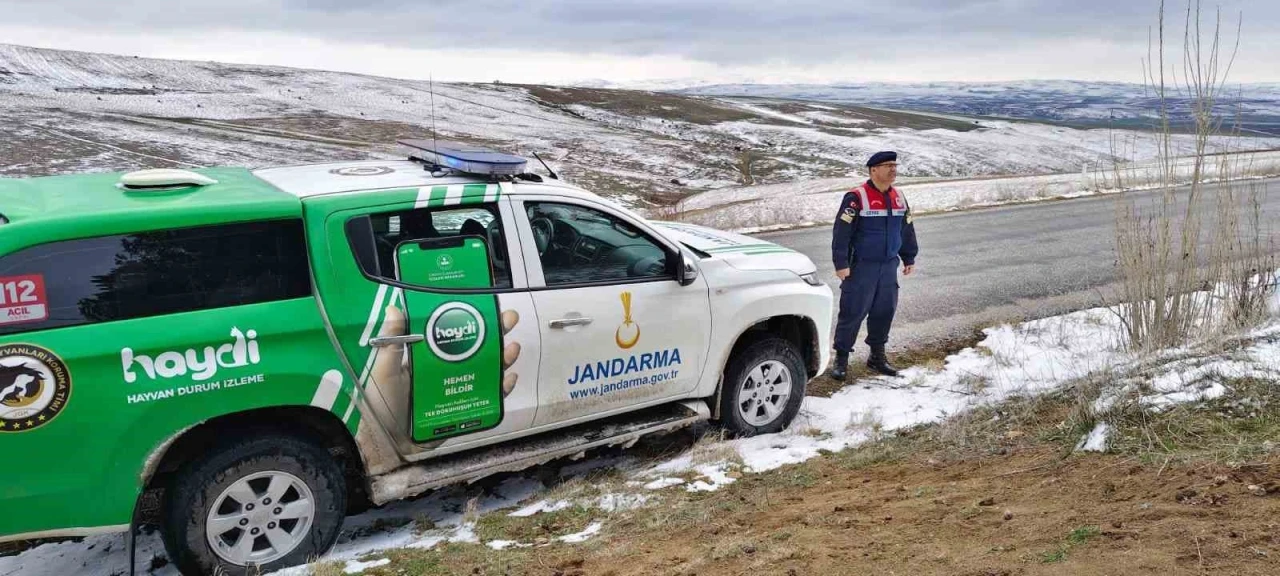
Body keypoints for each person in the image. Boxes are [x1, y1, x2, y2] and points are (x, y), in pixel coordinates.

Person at [829, 151, 918, 380]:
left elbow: (906, 229)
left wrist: (909, 257)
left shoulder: (899, 196)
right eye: (887, 165)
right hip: (861, 267)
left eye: (894, 165)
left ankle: (876, 357)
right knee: (852, 312)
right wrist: (841, 263)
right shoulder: (856, 197)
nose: (893, 169)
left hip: (888, 266)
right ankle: (841, 360)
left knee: (884, 311)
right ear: (873, 170)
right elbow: (842, 233)